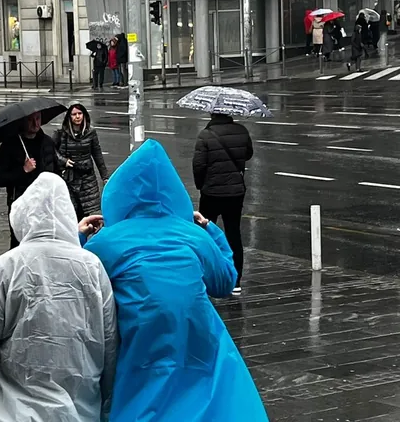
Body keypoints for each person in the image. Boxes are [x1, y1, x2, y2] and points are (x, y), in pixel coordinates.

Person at [79, 140, 268, 421]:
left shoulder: (107, 241)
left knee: (146, 397)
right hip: (196, 333)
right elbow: (225, 281)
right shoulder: (191, 235)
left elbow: (76, 275)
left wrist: (79, 236)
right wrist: (208, 229)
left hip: (143, 334)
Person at [0, 172, 117, 422]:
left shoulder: (6, 268)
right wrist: (108, 406)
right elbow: (109, 343)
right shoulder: (92, 268)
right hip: (82, 411)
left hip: (15, 413)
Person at [192, 113, 253, 294]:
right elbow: (248, 154)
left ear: (212, 113)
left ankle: (205, 274)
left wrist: (200, 185)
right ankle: (236, 281)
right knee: (233, 233)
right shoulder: (241, 131)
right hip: (236, 192)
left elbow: (199, 165)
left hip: (211, 192)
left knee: (205, 234)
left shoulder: (205, 135)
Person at [0, 112, 57, 249]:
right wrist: (23, 170)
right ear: (22, 122)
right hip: (20, 205)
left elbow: (56, 174)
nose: (36, 124)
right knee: (20, 247)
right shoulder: (10, 145)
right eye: (30, 120)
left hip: (44, 206)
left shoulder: (48, 143)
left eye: (38, 118)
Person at [54, 103, 109, 220]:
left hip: (86, 178)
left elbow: (97, 154)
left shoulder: (90, 132)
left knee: (85, 213)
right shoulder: (61, 132)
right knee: (70, 211)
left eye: (80, 113)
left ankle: (81, 236)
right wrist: (63, 161)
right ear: (69, 116)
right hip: (69, 177)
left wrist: (105, 177)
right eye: (74, 114)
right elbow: (51, 150)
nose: (77, 117)